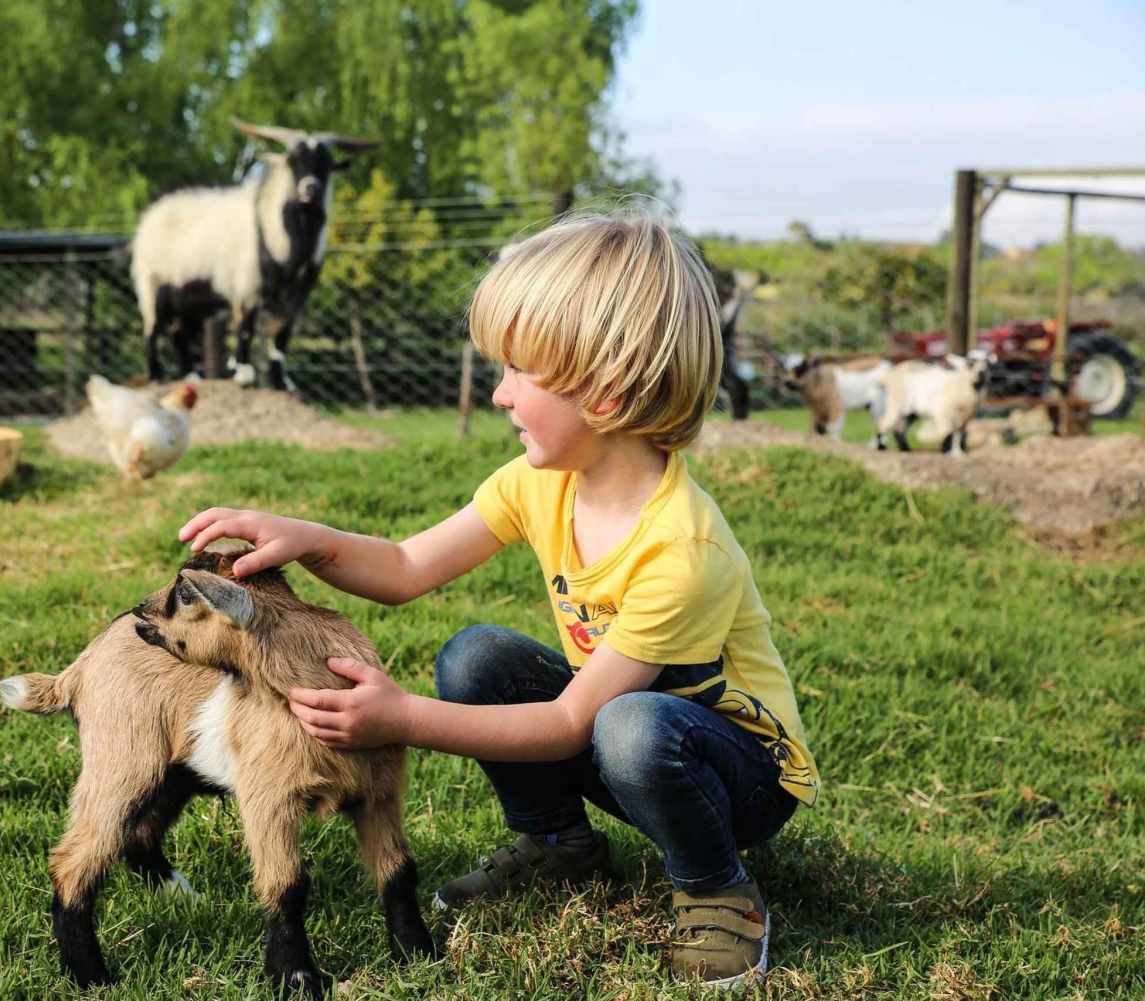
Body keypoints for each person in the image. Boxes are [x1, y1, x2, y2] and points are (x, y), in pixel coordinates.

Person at [176, 211, 819, 988]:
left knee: (630, 724)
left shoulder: (682, 550)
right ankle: (558, 846)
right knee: (477, 655)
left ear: (606, 393)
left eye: (519, 370)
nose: (498, 393)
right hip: (622, 733)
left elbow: (568, 723)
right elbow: (408, 564)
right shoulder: (539, 482)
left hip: (739, 776)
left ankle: (717, 888)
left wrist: (401, 717)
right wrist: (303, 535)